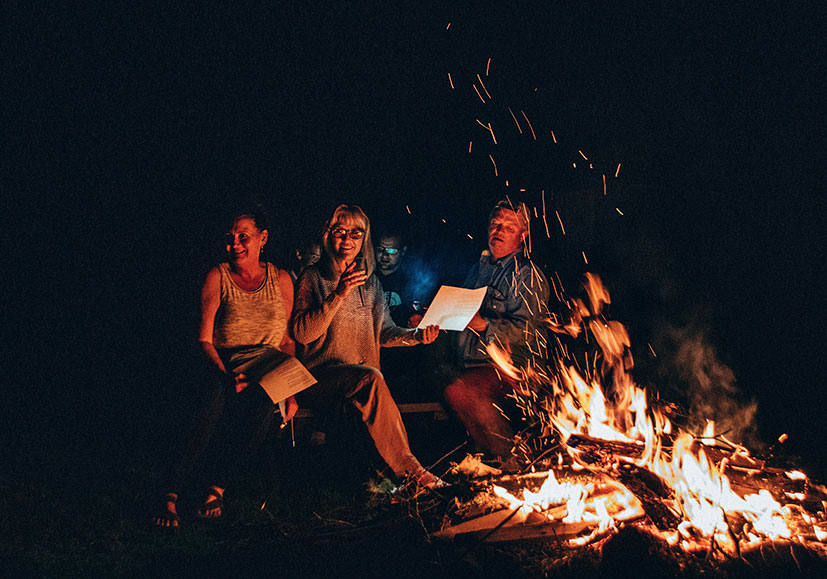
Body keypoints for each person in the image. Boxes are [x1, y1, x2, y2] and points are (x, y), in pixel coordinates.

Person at [154, 206, 298, 527]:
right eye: (230, 238)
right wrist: (225, 373)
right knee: (214, 397)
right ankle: (171, 493)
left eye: (243, 237)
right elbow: (204, 339)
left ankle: (216, 486)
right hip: (225, 362)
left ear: (263, 238)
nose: (234, 245)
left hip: (266, 368)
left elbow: (286, 340)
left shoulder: (283, 279)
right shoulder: (218, 276)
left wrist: (290, 390)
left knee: (263, 403)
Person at [292, 204, 445, 488]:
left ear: (364, 240)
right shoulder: (313, 278)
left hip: (359, 379)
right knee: (371, 378)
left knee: (370, 381)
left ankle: (381, 483)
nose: (347, 239)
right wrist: (340, 292)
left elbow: (384, 332)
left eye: (355, 233)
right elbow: (302, 333)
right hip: (319, 378)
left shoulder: (371, 283)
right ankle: (412, 471)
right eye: (340, 232)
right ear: (328, 237)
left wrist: (415, 335)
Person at [443, 200, 550, 463]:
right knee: (437, 375)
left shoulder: (527, 276)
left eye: (509, 227)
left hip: (514, 369)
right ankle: (483, 459)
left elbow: (528, 333)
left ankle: (511, 459)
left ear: (523, 236)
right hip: (472, 363)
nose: (498, 231)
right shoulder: (478, 270)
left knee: (461, 391)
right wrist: (432, 318)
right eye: (495, 225)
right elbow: (462, 315)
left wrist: (485, 325)